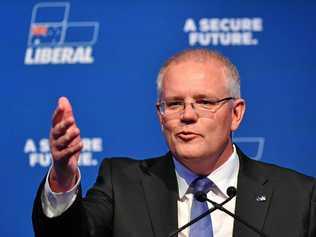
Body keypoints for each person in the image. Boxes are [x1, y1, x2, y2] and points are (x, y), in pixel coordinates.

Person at [32, 49, 316, 237]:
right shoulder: (121, 184)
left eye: (204, 102)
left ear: (236, 114)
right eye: (174, 104)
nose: (188, 115)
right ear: (160, 115)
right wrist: (63, 179)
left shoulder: (299, 197)